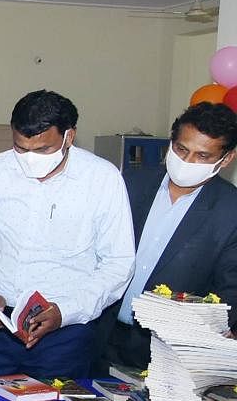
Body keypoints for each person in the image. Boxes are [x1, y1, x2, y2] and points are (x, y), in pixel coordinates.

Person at [0, 90, 134, 382]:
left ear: (69, 136)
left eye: (42, 150)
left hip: (64, 337)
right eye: (20, 148)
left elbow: (118, 263)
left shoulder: (101, 179)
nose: (29, 159)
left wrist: (65, 312)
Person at [98, 102, 237, 371]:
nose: (187, 162)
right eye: (182, 149)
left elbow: (230, 291)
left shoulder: (230, 211)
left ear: (227, 158)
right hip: (102, 335)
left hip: (170, 352)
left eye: (203, 156)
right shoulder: (129, 184)